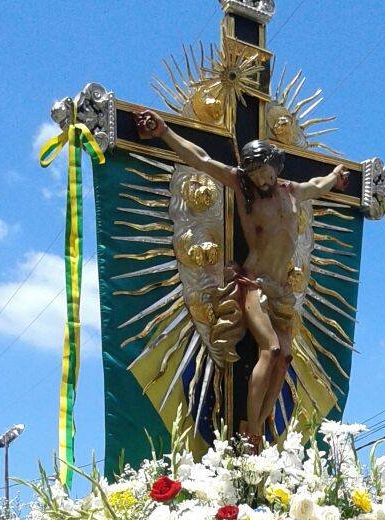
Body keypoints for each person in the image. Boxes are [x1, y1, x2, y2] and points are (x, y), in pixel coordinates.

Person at [135, 108, 348, 442]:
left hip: (280, 290)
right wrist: (164, 133)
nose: (261, 180)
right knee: (272, 350)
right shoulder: (242, 187)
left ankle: (260, 426)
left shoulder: (293, 193)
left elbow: (319, 184)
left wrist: (337, 176)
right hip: (253, 285)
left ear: (275, 167)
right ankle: (250, 425)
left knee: (286, 357)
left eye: (265, 173)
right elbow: (202, 159)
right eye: (255, 175)